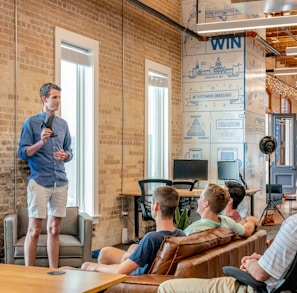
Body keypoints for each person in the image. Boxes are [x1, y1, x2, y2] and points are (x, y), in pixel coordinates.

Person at [158, 213, 297, 293]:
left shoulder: (293, 225)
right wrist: (265, 261)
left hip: (255, 289)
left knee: (167, 287)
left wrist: (250, 263)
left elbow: (260, 274)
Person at [18, 82, 73, 268]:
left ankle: (53, 272)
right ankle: (29, 273)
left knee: (54, 229)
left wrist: (65, 155)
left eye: (59, 97)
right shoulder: (31, 122)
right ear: (44, 99)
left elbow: (69, 151)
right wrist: (41, 142)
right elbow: (23, 153)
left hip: (60, 182)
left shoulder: (63, 124)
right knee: (34, 231)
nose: (58, 101)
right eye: (54, 97)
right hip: (39, 182)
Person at [81, 186, 186, 275]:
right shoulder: (182, 235)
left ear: (156, 205)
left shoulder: (152, 238)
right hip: (151, 272)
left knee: (91, 264)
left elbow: (121, 270)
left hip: (136, 278)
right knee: (106, 252)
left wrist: (92, 266)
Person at [183, 183, 258, 237]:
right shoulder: (227, 222)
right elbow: (247, 231)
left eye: (200, 197)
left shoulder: (192, 230)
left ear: (206, 204)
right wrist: (252, 220)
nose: (198, 200)